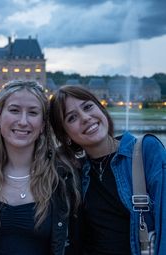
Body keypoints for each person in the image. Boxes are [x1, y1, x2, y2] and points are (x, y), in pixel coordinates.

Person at [0, 80, 81, 255]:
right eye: (14, 110)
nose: (23, 121)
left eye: (33, 113)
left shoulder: (63, 177)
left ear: (42, 125)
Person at [49, 85, 166, 255]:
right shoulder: (76, 172)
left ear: (101, 109)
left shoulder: (146, 151)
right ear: (66, 135)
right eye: (72, 118)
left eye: (88, 107)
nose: (85, 118)